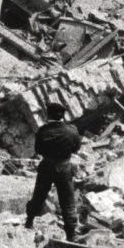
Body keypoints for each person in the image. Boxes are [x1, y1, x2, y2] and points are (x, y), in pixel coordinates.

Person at [26, 103, 83, 241]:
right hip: (64, 168)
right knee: (68, 201)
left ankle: (29, 223)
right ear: (63, 115)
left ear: (48, 115)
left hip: (47, 166)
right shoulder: (72, 130)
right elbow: (76, 148)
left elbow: (38, 150)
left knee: (38, 196)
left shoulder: (43, 131)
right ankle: (71, 235)